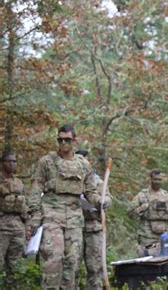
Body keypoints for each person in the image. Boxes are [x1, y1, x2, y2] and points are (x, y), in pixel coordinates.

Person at [26, 124, 106, 289]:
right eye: (60, 140)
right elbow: (35, 190)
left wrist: (100, 201)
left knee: (73, 262)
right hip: (51, 216)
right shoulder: (47, 162)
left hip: (74, 219)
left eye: (67, 140)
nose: (63, 143)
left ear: (74, 140)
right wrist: (34, 214)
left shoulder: (83, 165)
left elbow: (90, 191)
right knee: (53, 259)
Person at [75, 149, 112, 290]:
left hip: (94, 228)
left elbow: (108, 198)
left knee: (94, 267)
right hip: (74, 227)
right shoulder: (71, 180)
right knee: (72, 266)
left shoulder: (98, 182)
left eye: (85, 159)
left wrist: (104, 201)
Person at [127, 168, 168, 257]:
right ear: (150, 179)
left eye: (160, 180)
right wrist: (141, 209)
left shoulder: (167, 196)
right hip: (147, 239)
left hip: (163, 238)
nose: (157, 182)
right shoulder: (142, 196)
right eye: (155, 179)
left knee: (164, 265)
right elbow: (130, 213)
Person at [0, 152, 26, 288]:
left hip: (18, 228)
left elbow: (24, 206)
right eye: (9, 161)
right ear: (2, 163)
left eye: (14, 161)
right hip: (1, 227)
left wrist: (28, 226)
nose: (12, 164)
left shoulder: (19, 183)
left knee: (16, 267)